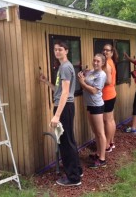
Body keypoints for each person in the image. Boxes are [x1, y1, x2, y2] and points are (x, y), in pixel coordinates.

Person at [39, 41, 82, 186]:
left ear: (67, 51)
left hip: (64, 108)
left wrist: (57, 115)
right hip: (66, 106)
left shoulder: (65, 67)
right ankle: (77, 170)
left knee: (65, 142)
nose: (57, 52)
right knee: (70, 140)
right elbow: (59, 90)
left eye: (60, 49)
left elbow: (65, 93)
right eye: (55, 49)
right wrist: (46, 82)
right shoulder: (65, 67)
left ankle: (73, 178)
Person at [78, 53, 107, 168]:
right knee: (95, 131)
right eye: (94, 60)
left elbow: (94, 91)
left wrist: (82, 83)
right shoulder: (92, 73)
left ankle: (102, 159)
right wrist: (82, 75)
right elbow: (87, 79)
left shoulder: (101, 74)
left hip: (97, 106)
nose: (95, 63)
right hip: (89, 105)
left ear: (102, 63)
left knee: (100, 132)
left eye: (98, 61)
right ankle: (98, 153)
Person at [102, 44, 118, 152]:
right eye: (104, 50)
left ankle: (107, 145)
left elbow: (107, 81)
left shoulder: (107, 63)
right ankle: (111, 142)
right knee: (111, 120)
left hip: (107, 95)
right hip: (112, 94)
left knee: (107, 121)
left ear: (112, 53)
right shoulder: (111, 62)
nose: (105, 52)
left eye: (107, 50)